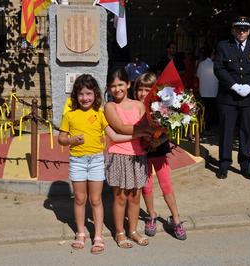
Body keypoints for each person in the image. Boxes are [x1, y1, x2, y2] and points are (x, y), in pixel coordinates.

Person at [58, 74, 135, 254]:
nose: (85, 98)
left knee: (95, 199)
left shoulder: (99, 114)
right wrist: (71, 140)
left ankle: (98, 236)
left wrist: (136, 135)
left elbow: (114, 136)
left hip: (96, 160)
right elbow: (61, 139)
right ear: (76, 96)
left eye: (89, 94)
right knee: (79, 198)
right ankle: (80, 233)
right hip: (77, 161)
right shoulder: (69, 115)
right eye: (81, 94)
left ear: (95, 95)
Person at [134, 72, 187, 241]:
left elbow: (171, 129)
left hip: (160, 150)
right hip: (142, 152)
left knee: (166, 185)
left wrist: (159, 141)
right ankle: (151, 216)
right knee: (146, 186)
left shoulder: (163, 106)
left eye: (147, 89)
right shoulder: (134, 107)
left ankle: (176, 219)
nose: (143, 93)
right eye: (140, 89)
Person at [213, 16, 250, 180]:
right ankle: (224, 164)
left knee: (246, 132)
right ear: (233, 30)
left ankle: (245, 165)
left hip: (249, 98)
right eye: (238, 29)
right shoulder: (224, 46)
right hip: (228, 97)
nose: (241, 32)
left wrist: (249, 86)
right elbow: (219, 68)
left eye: (244, 29)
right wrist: (234, 86)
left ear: (248, 31)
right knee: (227, 131)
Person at [104, 68, 150, 248]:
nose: (117, 89)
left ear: (128, 84)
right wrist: (145, 131)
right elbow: (121, 128)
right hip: (118, 155)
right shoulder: (109, 107)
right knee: (120, 197)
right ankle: (120, 232)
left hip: (139, 155)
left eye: (121, 84)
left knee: (135, 197)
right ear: (108, 88)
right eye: (113, 86)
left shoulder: (139, 105)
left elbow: (147, 126)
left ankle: (133, 230)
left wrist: (154, 133)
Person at [196, 46, 219, 133]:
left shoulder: (201, 64)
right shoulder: (215, 65)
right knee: (211, 110)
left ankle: (203, 126)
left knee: (203, 110)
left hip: (203, 91)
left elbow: (198, 75)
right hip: (213, 92)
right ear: (213, 54)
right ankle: (208, 127)